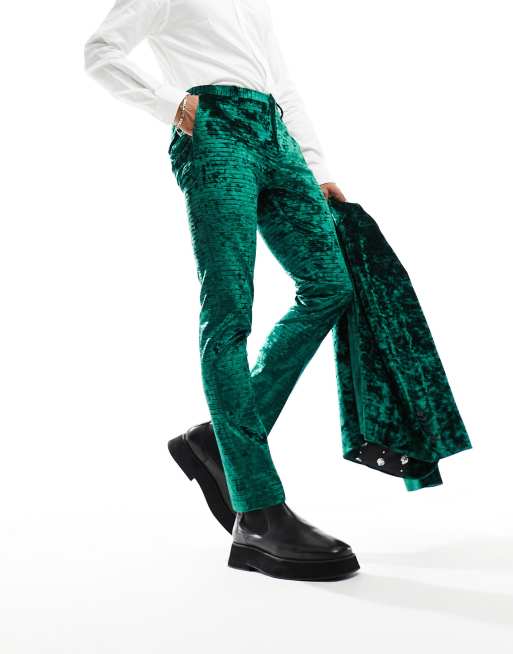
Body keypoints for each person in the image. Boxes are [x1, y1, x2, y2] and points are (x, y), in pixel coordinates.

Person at [84, 0, 360, 581]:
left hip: (276, 135)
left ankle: (219, 441)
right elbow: (101, 51)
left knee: (330, 286)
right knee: (230, 310)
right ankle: (257, 513)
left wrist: (315, 164)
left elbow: (282, 80)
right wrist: (171, 104)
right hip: (215, 133)